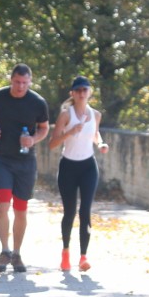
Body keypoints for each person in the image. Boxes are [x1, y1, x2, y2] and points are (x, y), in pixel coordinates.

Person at [0, 64, 50, 273]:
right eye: (17, 82)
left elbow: (44, 128)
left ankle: (17, 253)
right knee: (2, 206)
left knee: (21, 209)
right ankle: (5, 251)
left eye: (25, 83)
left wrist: (33, 139)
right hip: (1, 159)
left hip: (25, 162)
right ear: (11, 80)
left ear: (30, 82)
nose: (20, 87)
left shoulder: (37, 102)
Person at [47, 75, 109, 272]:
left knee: (85, 212)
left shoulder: (96, 115)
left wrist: (100, 143)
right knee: (70, 212)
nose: (82, 93)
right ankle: (65, 253)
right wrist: (70, 131)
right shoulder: (66, 115)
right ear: (72, 93)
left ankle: (83, 257)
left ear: (90, 92)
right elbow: (52, 144)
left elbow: (95, 133)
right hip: (68, 167)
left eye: (85, 90)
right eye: (78, 90)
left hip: (88, 166)